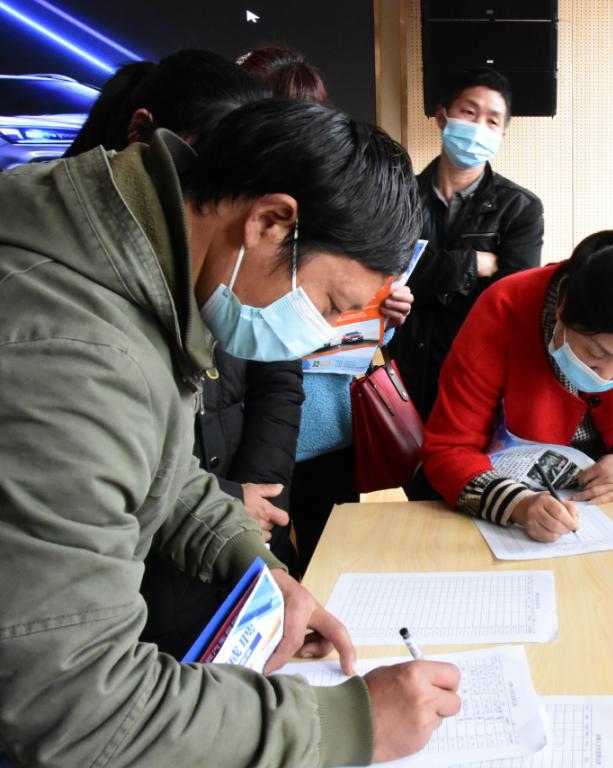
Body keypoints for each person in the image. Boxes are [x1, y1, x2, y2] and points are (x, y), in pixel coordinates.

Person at [0, 98, 460, 766]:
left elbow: (156, 466)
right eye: (331, 303)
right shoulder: (73, 354)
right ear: (270, 222)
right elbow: (75, 703)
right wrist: (348, 722)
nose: (325, 332)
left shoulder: (139, 273)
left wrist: (251, 563)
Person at [66, 50, 306, 654]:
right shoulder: (77, 334)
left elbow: (165, 468)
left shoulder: (185, 289)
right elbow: (79, 676)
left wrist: (248, 542)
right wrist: (338, 708)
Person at [231, 44, 415, 573]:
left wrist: (382, 316)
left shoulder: (337, 213)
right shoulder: (240, 236)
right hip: (249, 436)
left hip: (330, 421)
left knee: (331, 559)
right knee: (264, 558)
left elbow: (360, 331)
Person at [421, 231, 613, 540]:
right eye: (595, 353)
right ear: (562, 305)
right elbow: (450, 446)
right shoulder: (504, 308)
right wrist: (517, 505)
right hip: (506, 481)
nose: (606, 375)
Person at [389, 67, 543, 431]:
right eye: (469, 112)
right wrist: (473, 264)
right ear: (443, 116)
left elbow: (512, 302)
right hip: (405, 371)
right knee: (409, 463)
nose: (478, 127)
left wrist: (423, 277)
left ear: (502, 134)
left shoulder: (520, 208)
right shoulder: (398, 197)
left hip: (477, 375)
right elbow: (384, 276)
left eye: (492, 121)